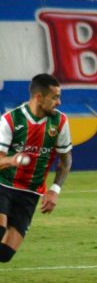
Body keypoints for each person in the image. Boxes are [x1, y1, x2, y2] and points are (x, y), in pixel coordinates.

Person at [0, 74, 72, 262]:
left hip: (30, 193)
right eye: (55, 97)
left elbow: (65, 160)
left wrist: (55, 190)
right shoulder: (11, 120)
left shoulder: (60, 122)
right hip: (3, 185)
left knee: (5, 254)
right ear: (39, 97)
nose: (59, 102)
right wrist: (11, 160)